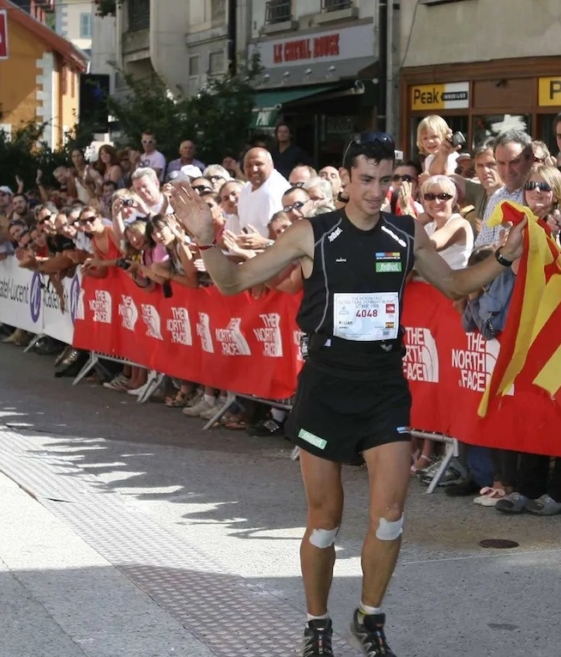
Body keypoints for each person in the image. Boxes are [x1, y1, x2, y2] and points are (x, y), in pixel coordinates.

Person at [169, 131, 525, 657]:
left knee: (391, 511)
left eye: (386, 180)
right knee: (324, 520)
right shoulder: (311, 234)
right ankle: (317, 624)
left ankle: (370, 617)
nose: (376, 191)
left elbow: (453, 286)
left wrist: (502, 259)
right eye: (366, 180)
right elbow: (232, 282)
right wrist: (205, 240)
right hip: (326, 388)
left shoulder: (406, 235)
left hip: (384, 386)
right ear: (347, 180)